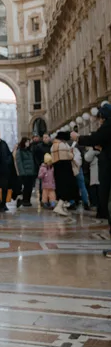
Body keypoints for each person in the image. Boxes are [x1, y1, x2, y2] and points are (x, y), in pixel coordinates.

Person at [75, 103, 111, 255]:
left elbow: (96, 137)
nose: (98, 122)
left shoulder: (108, 126)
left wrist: (78, 137)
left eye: (99, 119)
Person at [50, 132, 77, 217]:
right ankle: (59, 206)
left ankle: (62, 206)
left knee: (60, 186)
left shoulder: (53, 145)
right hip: (65, 168)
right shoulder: (62, 145)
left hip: (57, 168)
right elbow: (69, 156)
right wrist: (72, 153)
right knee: (67, 186)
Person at [70, 132, 91, 210]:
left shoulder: (71, 145)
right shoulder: (81, 145)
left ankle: (73, 202)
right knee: (82, 186)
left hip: (73, 167)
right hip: (80, 167)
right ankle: (85, 202)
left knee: (72, 185)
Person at [14, 137, 37, 208]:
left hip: (31, 173)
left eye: (28, 142)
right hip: (25, 173)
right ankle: (24, 201)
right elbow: (19, 162)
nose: (28, 143)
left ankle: (27, 200)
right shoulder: (19, 151)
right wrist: (22, 173)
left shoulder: (29, 151)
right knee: (26, 187)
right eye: (27, 142)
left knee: (30, 187)